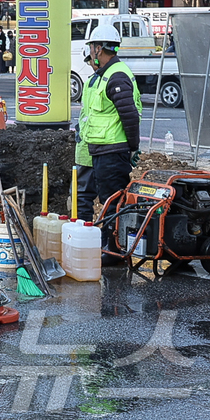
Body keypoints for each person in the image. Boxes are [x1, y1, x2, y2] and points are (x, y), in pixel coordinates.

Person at [75, 23, 141, 254]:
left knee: (112, 203)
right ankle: (106, 246)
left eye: (92, 46)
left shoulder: (116, 76)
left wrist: (132, 148)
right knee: (107, 201)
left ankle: (115, 249)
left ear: (99, 48)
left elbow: (130, 115)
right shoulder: (103, 75)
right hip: (101, 148)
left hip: (112, 150)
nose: (91, 51)